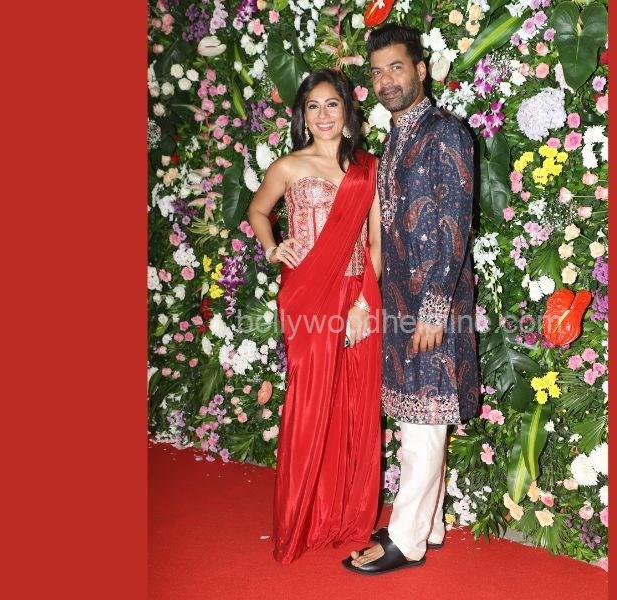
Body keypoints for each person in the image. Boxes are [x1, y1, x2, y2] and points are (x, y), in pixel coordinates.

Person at [343, 24, 480, 575]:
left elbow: (454, 224)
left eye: (396, 67)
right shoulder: (395, 138)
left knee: (423, 424)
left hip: (432, 303)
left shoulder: (447, 133)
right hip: (400, 301)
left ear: (421, 70)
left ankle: (406, 538)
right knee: (418, 417)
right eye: (377, 72)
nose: (386, 81)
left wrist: (434, 309)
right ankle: (430, 524)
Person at [248, 68, 383, 565]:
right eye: (313, 106)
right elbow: (257, 210)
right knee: (309, 403)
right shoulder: (288, 166)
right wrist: (272, 248)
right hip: (306, 294)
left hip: (357, 295)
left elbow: (376, 242)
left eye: (332, 104)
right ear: (302, 116)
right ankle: (300, 519)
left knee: (353, 404)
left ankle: (343, 516)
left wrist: (363, 304)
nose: (323, 115)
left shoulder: (368, 169)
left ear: (347, 112)